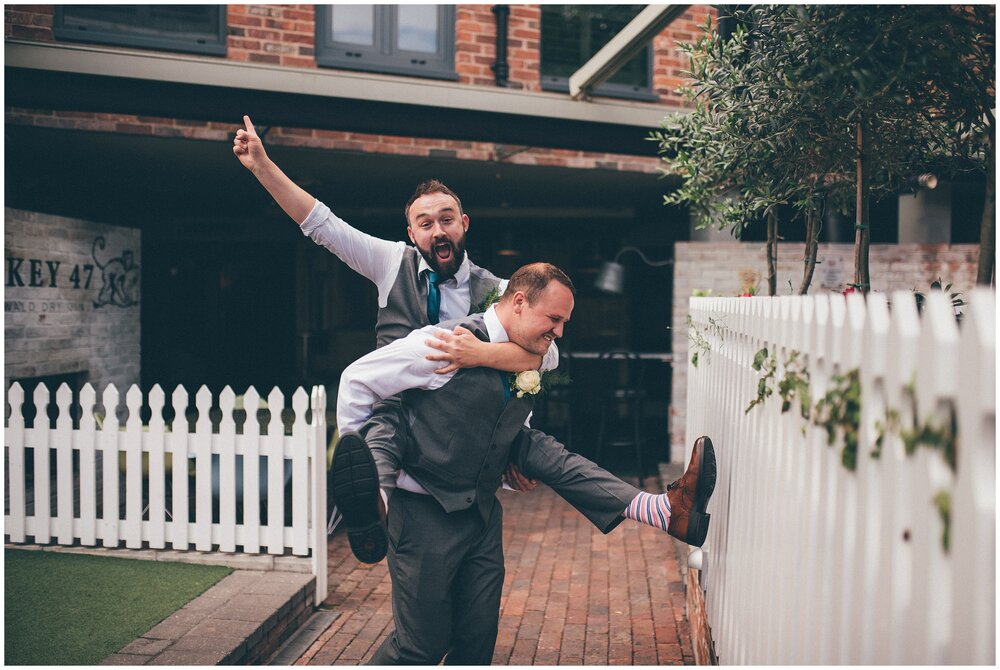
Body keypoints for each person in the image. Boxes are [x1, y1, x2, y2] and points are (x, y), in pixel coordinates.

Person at [333, 262, 716, 664]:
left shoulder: (536, 350)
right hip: (423, 514)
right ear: (518, 302)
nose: (560, 333)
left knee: (476, 646)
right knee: (420, 648)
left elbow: (544, 362)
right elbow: (357, 380)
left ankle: (660, 509)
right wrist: (369, 465)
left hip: (480, 514)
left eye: (564, 321)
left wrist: (484, 358)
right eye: (554, 319)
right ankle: (373, 498)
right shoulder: (441, 343)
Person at [232, 115, 552, 549]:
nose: (438, 230)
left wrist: (478, 355)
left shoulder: (498, 291)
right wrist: (262, 168)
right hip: (398, 405)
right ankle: (371, 514)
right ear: (411, 232)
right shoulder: (389, 262)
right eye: (425, 223)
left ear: (465, 223)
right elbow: (323, 226)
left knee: (519, 439)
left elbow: (546, 355)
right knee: (381, 431)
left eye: (447, 219)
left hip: (463, 419)